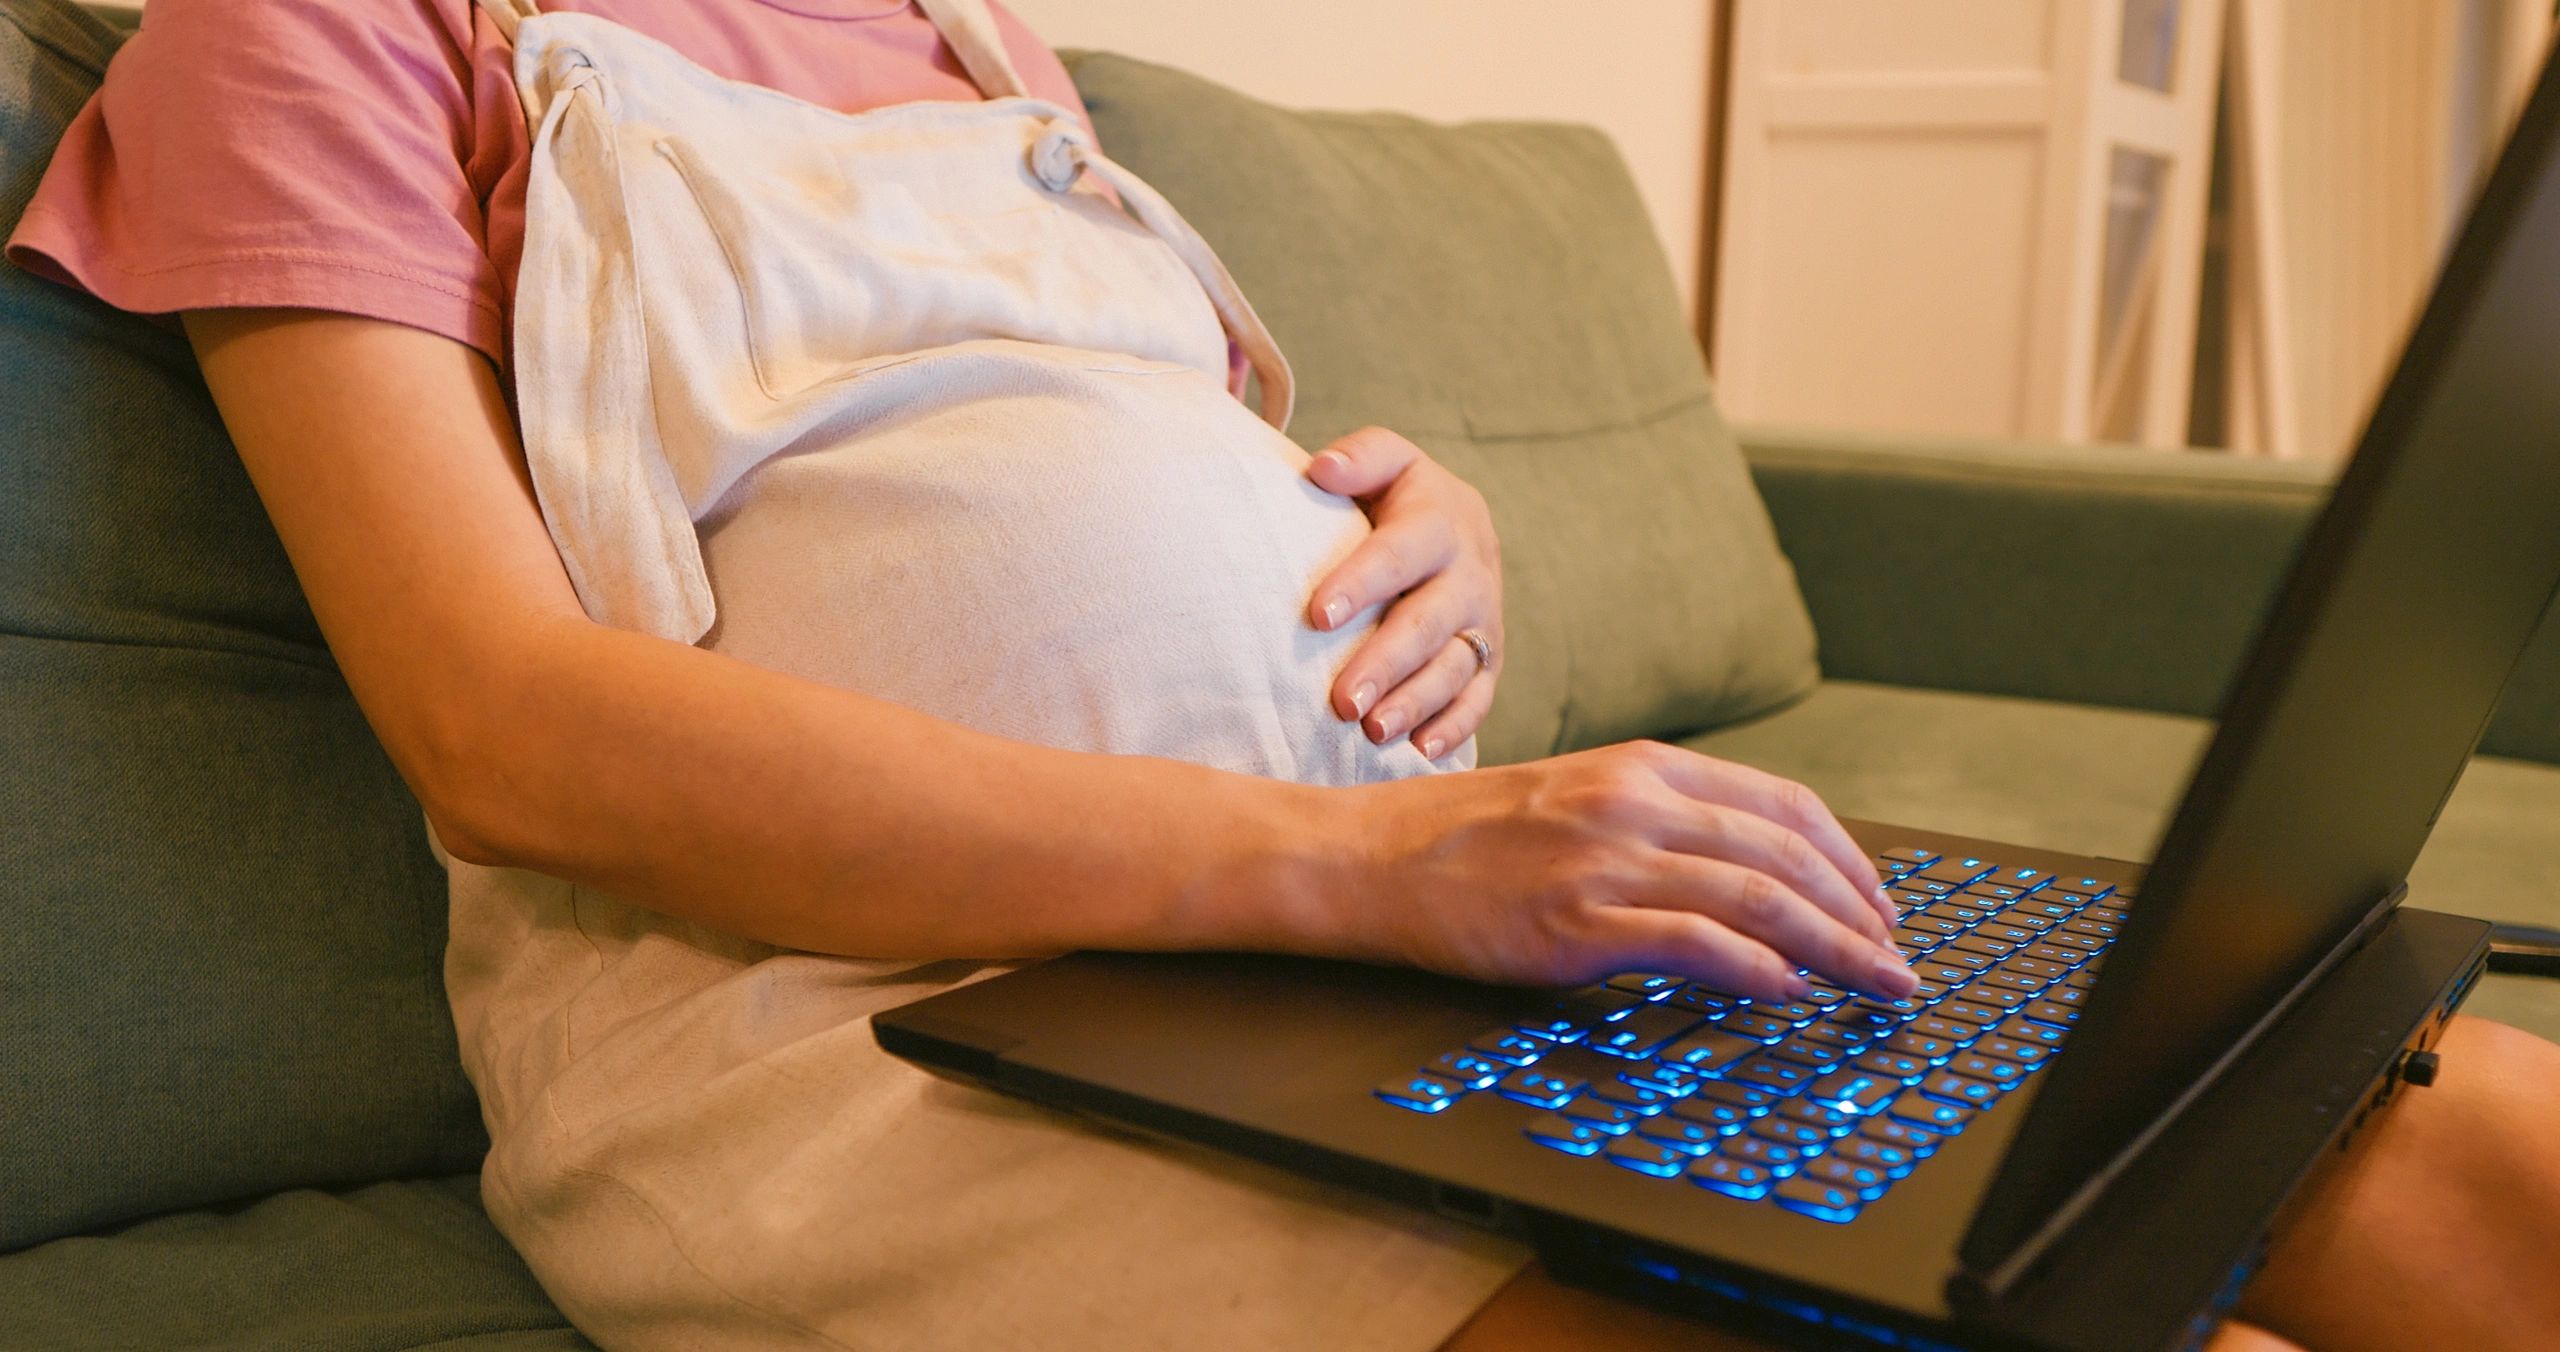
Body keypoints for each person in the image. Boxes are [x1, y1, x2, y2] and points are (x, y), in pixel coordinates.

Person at [9, 2, 2557, 1349]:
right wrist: (1372, 857)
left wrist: (1404, 509)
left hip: (1370, 940)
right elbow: (506, 726)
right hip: (867, 1031)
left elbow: (1176, 477)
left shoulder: (981, 45)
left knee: (2441, 1133)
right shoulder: (319, 26)